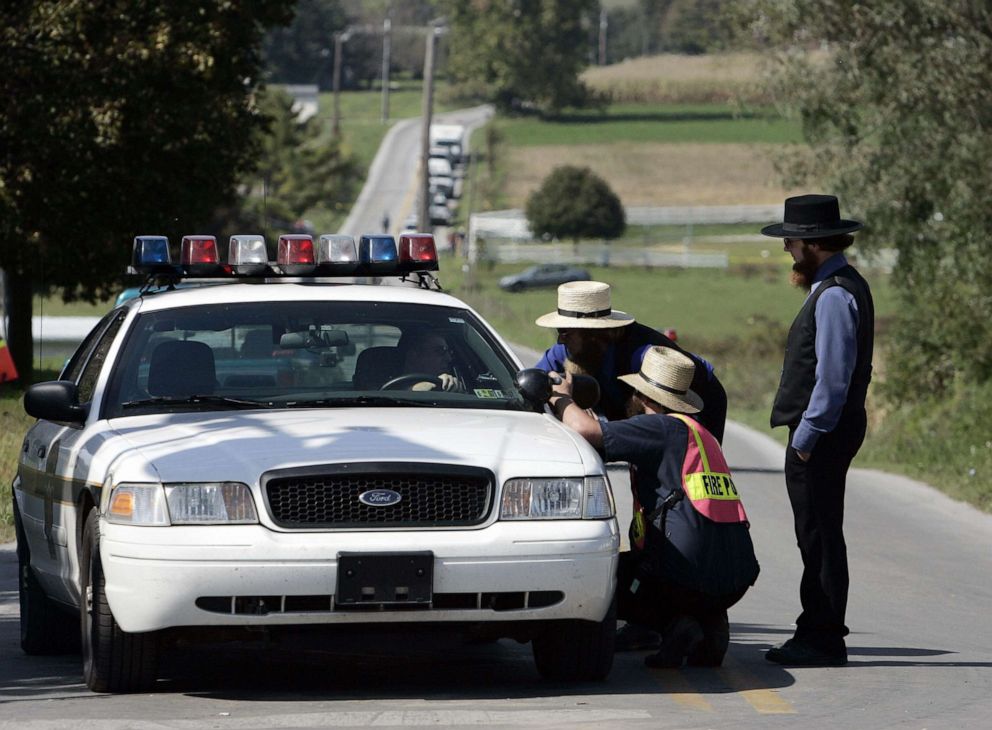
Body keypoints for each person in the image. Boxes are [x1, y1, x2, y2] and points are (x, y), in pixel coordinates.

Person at [549, 346, 759, 668]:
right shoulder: (700, 433)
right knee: (666, 565)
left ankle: (675, 624)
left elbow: (585, 431)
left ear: (643, 395)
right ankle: (709, 623)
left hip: (686, 575)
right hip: (734, 576)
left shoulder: (660, 427)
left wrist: (560, 398)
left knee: (606, 572)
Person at [760, 194, 874, 667]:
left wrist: (805, 440)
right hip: (827, 433)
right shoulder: (832, 287)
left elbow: (832, 380)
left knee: (820, 536)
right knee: (818, 534)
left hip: (821, 436)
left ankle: (823, 636)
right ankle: (817, 628)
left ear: (813, 245)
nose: (787, 249)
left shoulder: (834, 295)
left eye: (792, 241)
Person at [535, 281, 728, 443]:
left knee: (671, 467)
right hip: (634, 408)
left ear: (592, 333)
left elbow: (657, 428)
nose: (560, 340)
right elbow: (535, 380)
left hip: (696, 399)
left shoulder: (647, 356)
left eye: (564, 332)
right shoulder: (569, 347)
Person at [396, 329, 462, 392]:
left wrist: (453, 386)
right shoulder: (387, 383)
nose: (449, 358)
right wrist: (416, 389)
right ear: (413, 356)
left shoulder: (451, 387)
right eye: (440, 351)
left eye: (448, 352)